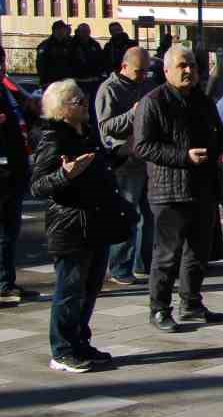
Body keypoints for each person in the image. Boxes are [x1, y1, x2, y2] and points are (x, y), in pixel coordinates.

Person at [133, 44, 223, 332]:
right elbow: (142, 146)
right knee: (167, 255)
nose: (188, 71)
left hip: (203, 189)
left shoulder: (203, 101)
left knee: (198, 253)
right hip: (169, 192)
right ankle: (159, 309)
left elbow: (219, 133)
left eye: (192, 66)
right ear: (166, 71)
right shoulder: (153, 101)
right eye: (181, 66)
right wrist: (182, 156)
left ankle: (190, 303)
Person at [32, 80, 127, 372]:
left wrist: (123, 152)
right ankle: (61, 349)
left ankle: (80, 341)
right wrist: (65, 174)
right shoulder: (53, 139)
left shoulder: (86, 133)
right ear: (61, 110)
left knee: (89, 288)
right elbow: (38, 186)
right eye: (78, 102)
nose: (85, 105)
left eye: (84, 100)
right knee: (69, 290)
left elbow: (100, 165)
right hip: (69, 227)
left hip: (95, 223)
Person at [95, 46, 155, 287]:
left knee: (148, 216)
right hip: (124, 162)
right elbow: (106, 127)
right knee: (127, 214)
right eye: (139, 72)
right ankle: (120, 266)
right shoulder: (109, 89)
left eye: (146, 72)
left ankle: (143, 263)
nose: (142, 76)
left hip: (146, 159)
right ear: (124, 66)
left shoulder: (145, 86)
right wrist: (132, 114)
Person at [0, 48, 35, 306]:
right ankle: (3, 283)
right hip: (2, 170)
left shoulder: (7, 90)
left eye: (2, 62)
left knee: (11, 231)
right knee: (3, 231)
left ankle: (8, 280)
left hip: (15, 167)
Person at [36, 21, 74, 88]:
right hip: (51, 82)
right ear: (56, 31)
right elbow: (41, 65)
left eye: (64, 30)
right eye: (62, 29)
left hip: (66, 81)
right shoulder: (46, 46)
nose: (64, 32)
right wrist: (44, 81)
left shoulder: (69, 44)